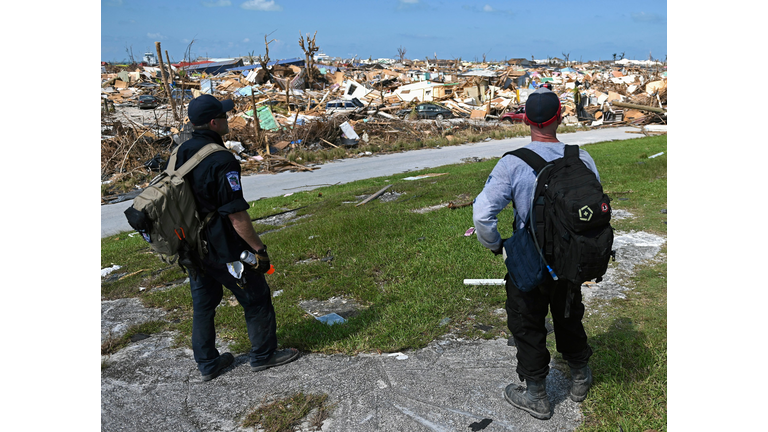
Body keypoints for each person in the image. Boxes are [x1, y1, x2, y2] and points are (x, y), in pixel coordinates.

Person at [472, 88, 597, 419]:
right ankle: (581, 376)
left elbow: (483, 214)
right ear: (559, 117)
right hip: (571, 258)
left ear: (526, 119)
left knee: (526, 322)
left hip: (529, 259)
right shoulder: (581, 157)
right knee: (569, 315)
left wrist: (497, 246)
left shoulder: (513, 163)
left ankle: (537, 395)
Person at [174, 94, 299, 382]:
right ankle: (264, 355)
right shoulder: (221, 159)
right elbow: (236, 214)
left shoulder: (181, 152)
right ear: (214, 122)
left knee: (203, 305)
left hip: (191, 244)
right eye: (225, 116)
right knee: (256, 296)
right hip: (223, 247)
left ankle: (208, 363)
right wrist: (258, 249)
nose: (229, 119)